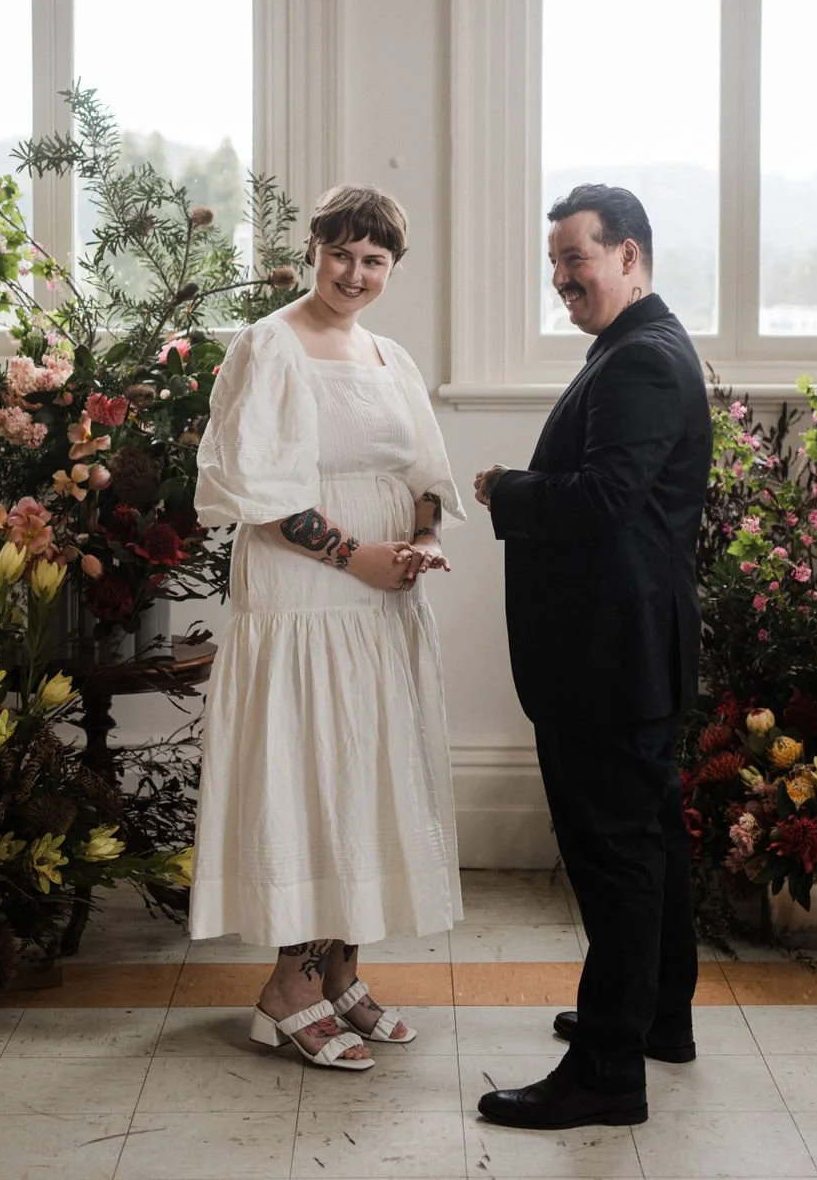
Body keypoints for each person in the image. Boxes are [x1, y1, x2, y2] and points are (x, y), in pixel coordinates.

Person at [191, 183, 464, 1072]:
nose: (354, 273)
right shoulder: (268, 347)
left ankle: (342, 969)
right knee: (311, 772)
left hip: (381, 605)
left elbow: (427, 470)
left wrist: (419, 541)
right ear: (314, 249)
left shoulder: (390, 358)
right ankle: (288, 989)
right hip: (306, 600)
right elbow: (260, 497)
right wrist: (359, 558)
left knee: (366, 771)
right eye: (340, 253)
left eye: (374, 260)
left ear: (393, 266)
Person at [473, 183, 712, 1128]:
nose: (562, 278)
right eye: (555, 263)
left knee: (614, 857)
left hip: (609, 660)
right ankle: (658, 1016)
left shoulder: (641, 361)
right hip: (628, 654)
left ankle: (609, 1074)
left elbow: (603, 498)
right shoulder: (636, 348)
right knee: (652, 842)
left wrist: (508, 491)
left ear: (630, 255)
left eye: (577, 258)